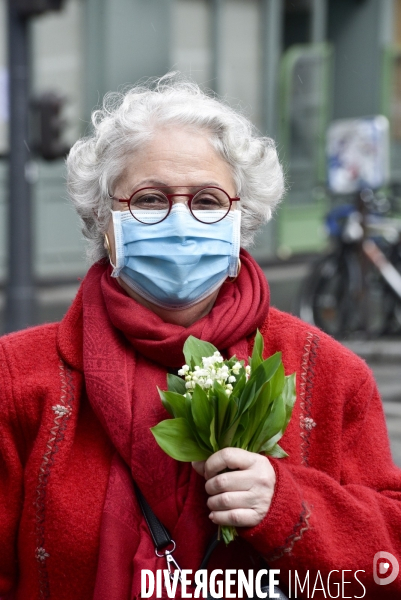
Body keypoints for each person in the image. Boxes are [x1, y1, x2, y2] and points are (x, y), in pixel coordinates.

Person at [0, 74, 400, 600]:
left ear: (242, 220)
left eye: (208, 201)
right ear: (104, 222)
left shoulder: (329, 372)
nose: (181, 220)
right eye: (149, 199)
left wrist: (285, 505)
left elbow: (386, 562)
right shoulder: (18, 376)